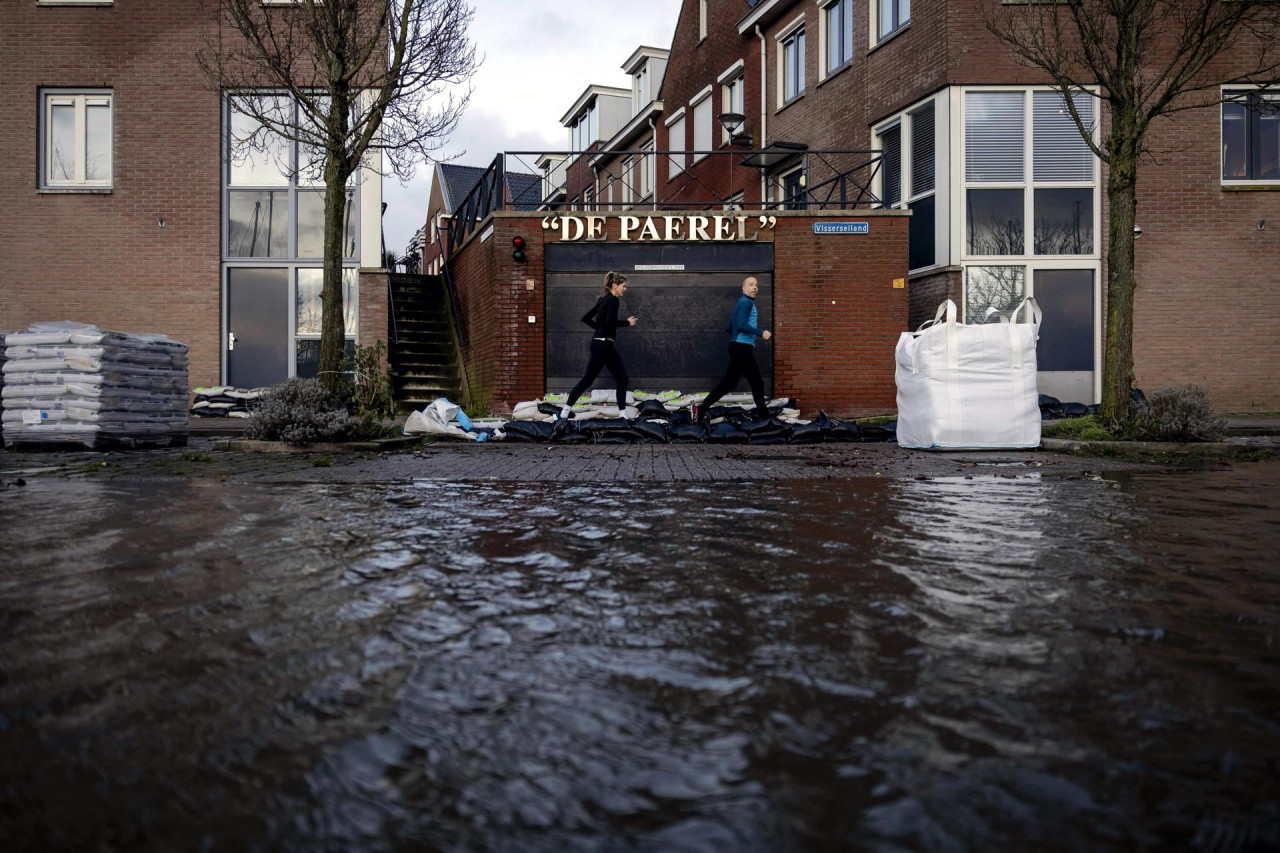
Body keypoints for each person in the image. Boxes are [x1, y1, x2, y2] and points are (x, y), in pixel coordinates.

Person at [694, 276, 772, 427]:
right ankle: (766, 419)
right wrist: (761, 333)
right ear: (743, 289)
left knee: (729, 384)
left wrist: (738, 338)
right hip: (742, 348)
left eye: (756, 285)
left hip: (738, 347)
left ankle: (701, 409)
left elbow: (729, 327)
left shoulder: (740, 304)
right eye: (751, 285)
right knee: (757, 383)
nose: (755, 287)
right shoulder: (747, 303)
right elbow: (742, 325)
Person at [561, 271, 639, 419]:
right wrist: (627, 323)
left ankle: (622, 415)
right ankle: (564, 412)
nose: (625, 289)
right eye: (623, 286)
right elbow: (610, 322)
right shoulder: (613, 300)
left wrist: (599, 329)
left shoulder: (603, 299)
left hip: (603, 345)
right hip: (603, 346)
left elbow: (586, 318)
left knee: (620, 378)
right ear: (615, 285)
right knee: (590, 380)